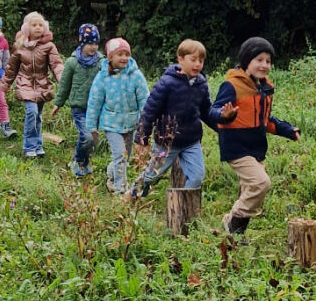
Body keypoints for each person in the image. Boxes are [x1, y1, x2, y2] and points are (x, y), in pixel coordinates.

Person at [210, 37, 299, 236]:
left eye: (268, 61)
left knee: (250, 190)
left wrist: (288, 130)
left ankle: (233, 229)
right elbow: (213, 111)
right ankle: (234, 224)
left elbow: (265, 120)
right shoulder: (232, 85)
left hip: (256, 148)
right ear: (246, 60)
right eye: (259, 59)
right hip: (236, 146)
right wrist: (223, 115)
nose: (264, 65)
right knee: (261, 183)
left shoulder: (265, 89)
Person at [128, 39, 217, 198]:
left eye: (201, 61)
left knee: (197, 176)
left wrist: (224, 125)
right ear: (180, 59)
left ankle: (182, 207)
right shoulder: (167, 83)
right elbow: (150, 111)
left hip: (191, 142)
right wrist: (143, 137)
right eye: (193, 59)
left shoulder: (201, 84)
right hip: (167, 143)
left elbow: (206, 112)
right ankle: (133, 194)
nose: (197, 64)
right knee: (152, 175)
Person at [85, 37, 149, 193]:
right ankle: (120, 189)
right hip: (111, 124)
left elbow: (145, 100)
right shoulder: (103, 77)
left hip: (131, 122)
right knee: (120, 154)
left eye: (127, 54)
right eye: (120, 54)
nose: (124, 58)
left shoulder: (136, 75)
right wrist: (92, 127)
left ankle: (111, 172)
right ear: (110, 57)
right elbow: (95, 101)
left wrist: (145, 125)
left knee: (125, 157)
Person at [2, 12, 65, 158]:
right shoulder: (20, 46)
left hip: (42, 84)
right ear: (27, 28)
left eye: (41, 25)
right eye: (34, 25)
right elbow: (12, 67)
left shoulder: (49, 46)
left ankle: (37, 144)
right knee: (32, 112)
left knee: (38, 116)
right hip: (25, 83)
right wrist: (5, 85)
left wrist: (63, 79)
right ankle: (28, 146)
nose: (38, 27)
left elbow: (56, 64)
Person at [52, 24, 103, 176]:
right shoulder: (72, 62)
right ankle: (77, 160)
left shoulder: (101, 63)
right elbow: (65, 85)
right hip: (78, 106)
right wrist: (58, 103)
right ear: (82, 43)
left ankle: (84, 162)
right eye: (89, 44)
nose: (93, 47)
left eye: (95, 43)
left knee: (92, 139)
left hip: (95, 107)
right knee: (86, 136)